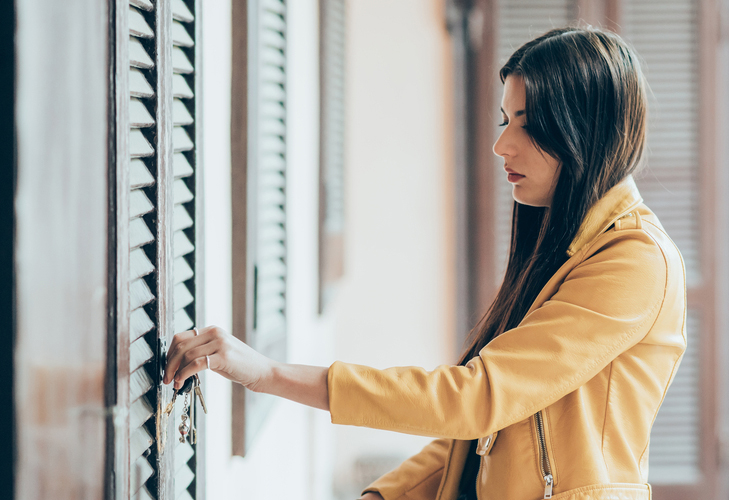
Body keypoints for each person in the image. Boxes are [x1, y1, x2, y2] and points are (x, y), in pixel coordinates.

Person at [163, 26, 687, 500]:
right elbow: (480, 437)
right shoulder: (562, 244)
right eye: (505, 119)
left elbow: (475, 400)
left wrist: (267, 374)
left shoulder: (635, 261)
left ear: (584, 129)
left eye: (527, 125)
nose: (501, 144)